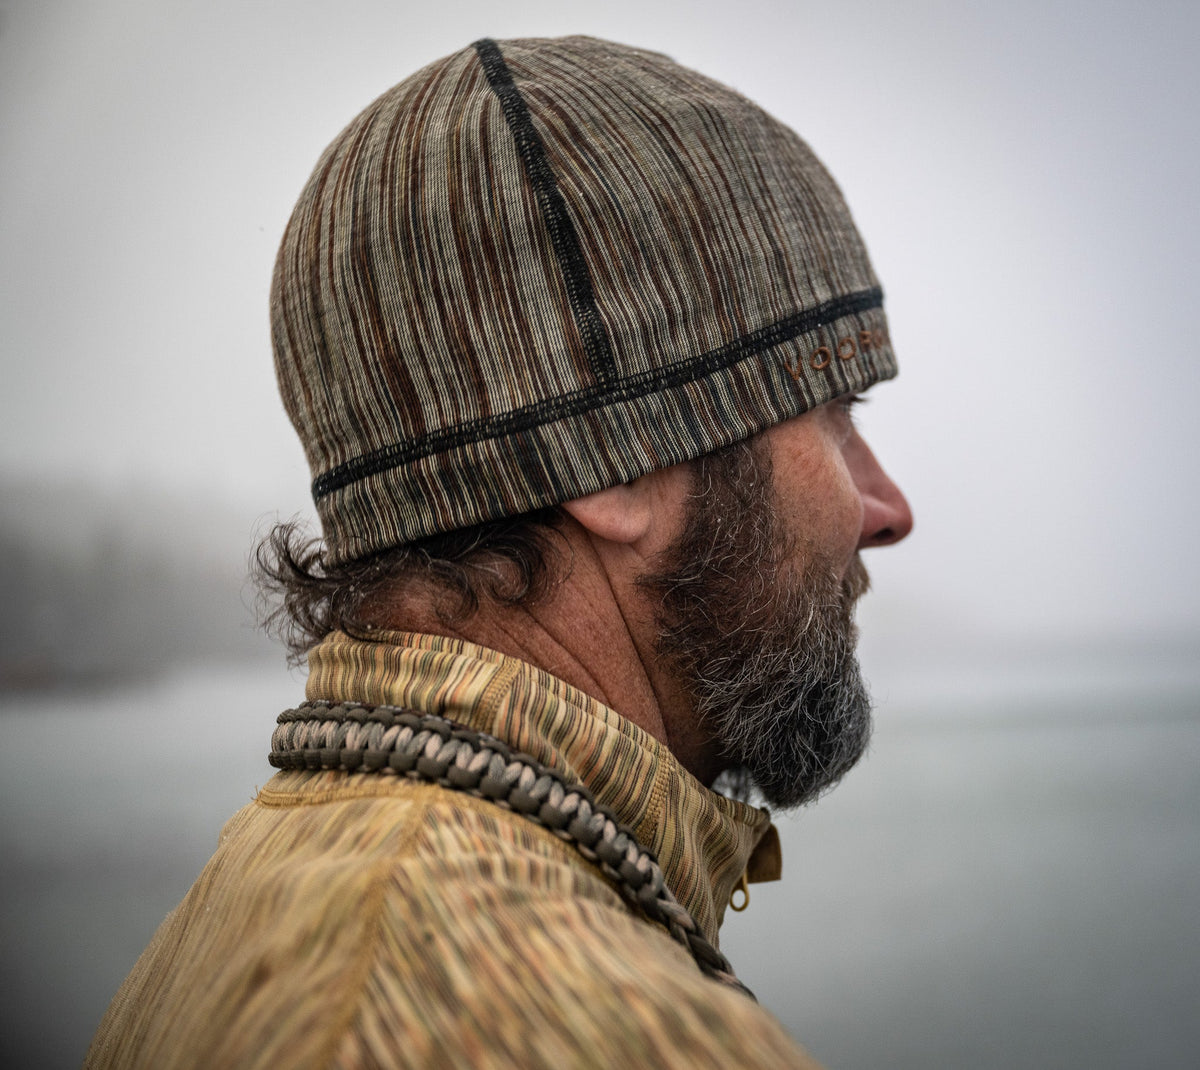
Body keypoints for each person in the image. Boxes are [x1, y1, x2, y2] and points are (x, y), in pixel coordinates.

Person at [86, 35, 912, 1069]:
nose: (887, 506)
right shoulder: (596, 1035)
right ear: (621, 461)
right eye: (833, 412)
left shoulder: (252, 905)